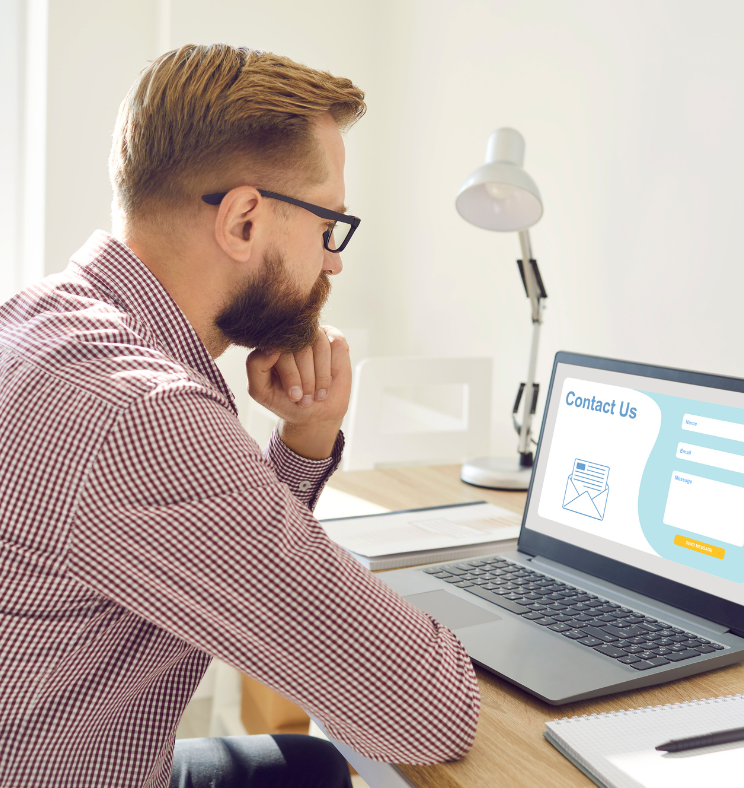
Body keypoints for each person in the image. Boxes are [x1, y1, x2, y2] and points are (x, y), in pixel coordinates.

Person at [0, 44, 480, 788]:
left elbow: (232, 567)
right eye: (331, 228)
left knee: (311, 763)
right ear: (246, 220)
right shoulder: (142, 415)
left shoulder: (39, 320)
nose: (334, 264)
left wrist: (306, 440)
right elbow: (428, 710)